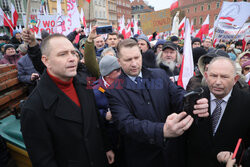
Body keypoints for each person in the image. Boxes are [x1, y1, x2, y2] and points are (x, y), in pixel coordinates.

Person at [105, 39, 209, 167]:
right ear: (119, 61)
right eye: (128, 60)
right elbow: (126, 124)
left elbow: (177, 95)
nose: (134, 63)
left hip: (172, 155)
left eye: (137, 57)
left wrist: (193, 103)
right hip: (142, 158)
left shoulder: (159, 75)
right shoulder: (114, 90)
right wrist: (161, 131)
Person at [20, 32, 114, 167]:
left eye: (73, 53)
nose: (72, 58)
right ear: (46, 60)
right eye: (62, 54)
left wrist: (107, 147)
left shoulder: (84, 84)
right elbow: (43, 160)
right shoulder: (34, 107)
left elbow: (96, 121)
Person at [186, 56, 250, 167]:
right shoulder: (193, 98)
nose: (218, 82)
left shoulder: (247, 102)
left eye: (224, 77)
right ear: (206, 76)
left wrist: (236, 156)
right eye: (213, 76)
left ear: (235, 79)